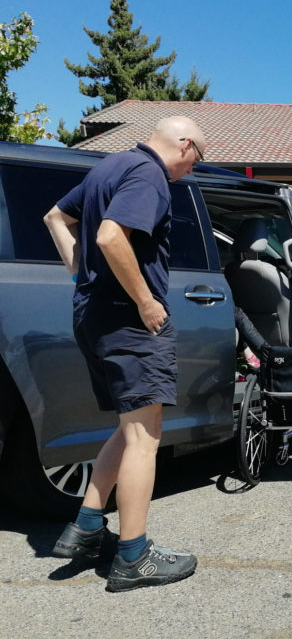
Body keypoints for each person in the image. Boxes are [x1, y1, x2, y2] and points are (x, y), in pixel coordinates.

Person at [42, 115, 207, 593]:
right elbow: (110, 236)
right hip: (127, 322)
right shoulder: (150, 175)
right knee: (145, 439)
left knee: (129, 426)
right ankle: (134, 557)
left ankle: (87, 526)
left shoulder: (108, 167)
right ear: (184, 144)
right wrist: (146, 300)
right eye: (198, 158)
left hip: (94, 317)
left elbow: (55, 217)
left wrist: (82, 273)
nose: (192, 169)